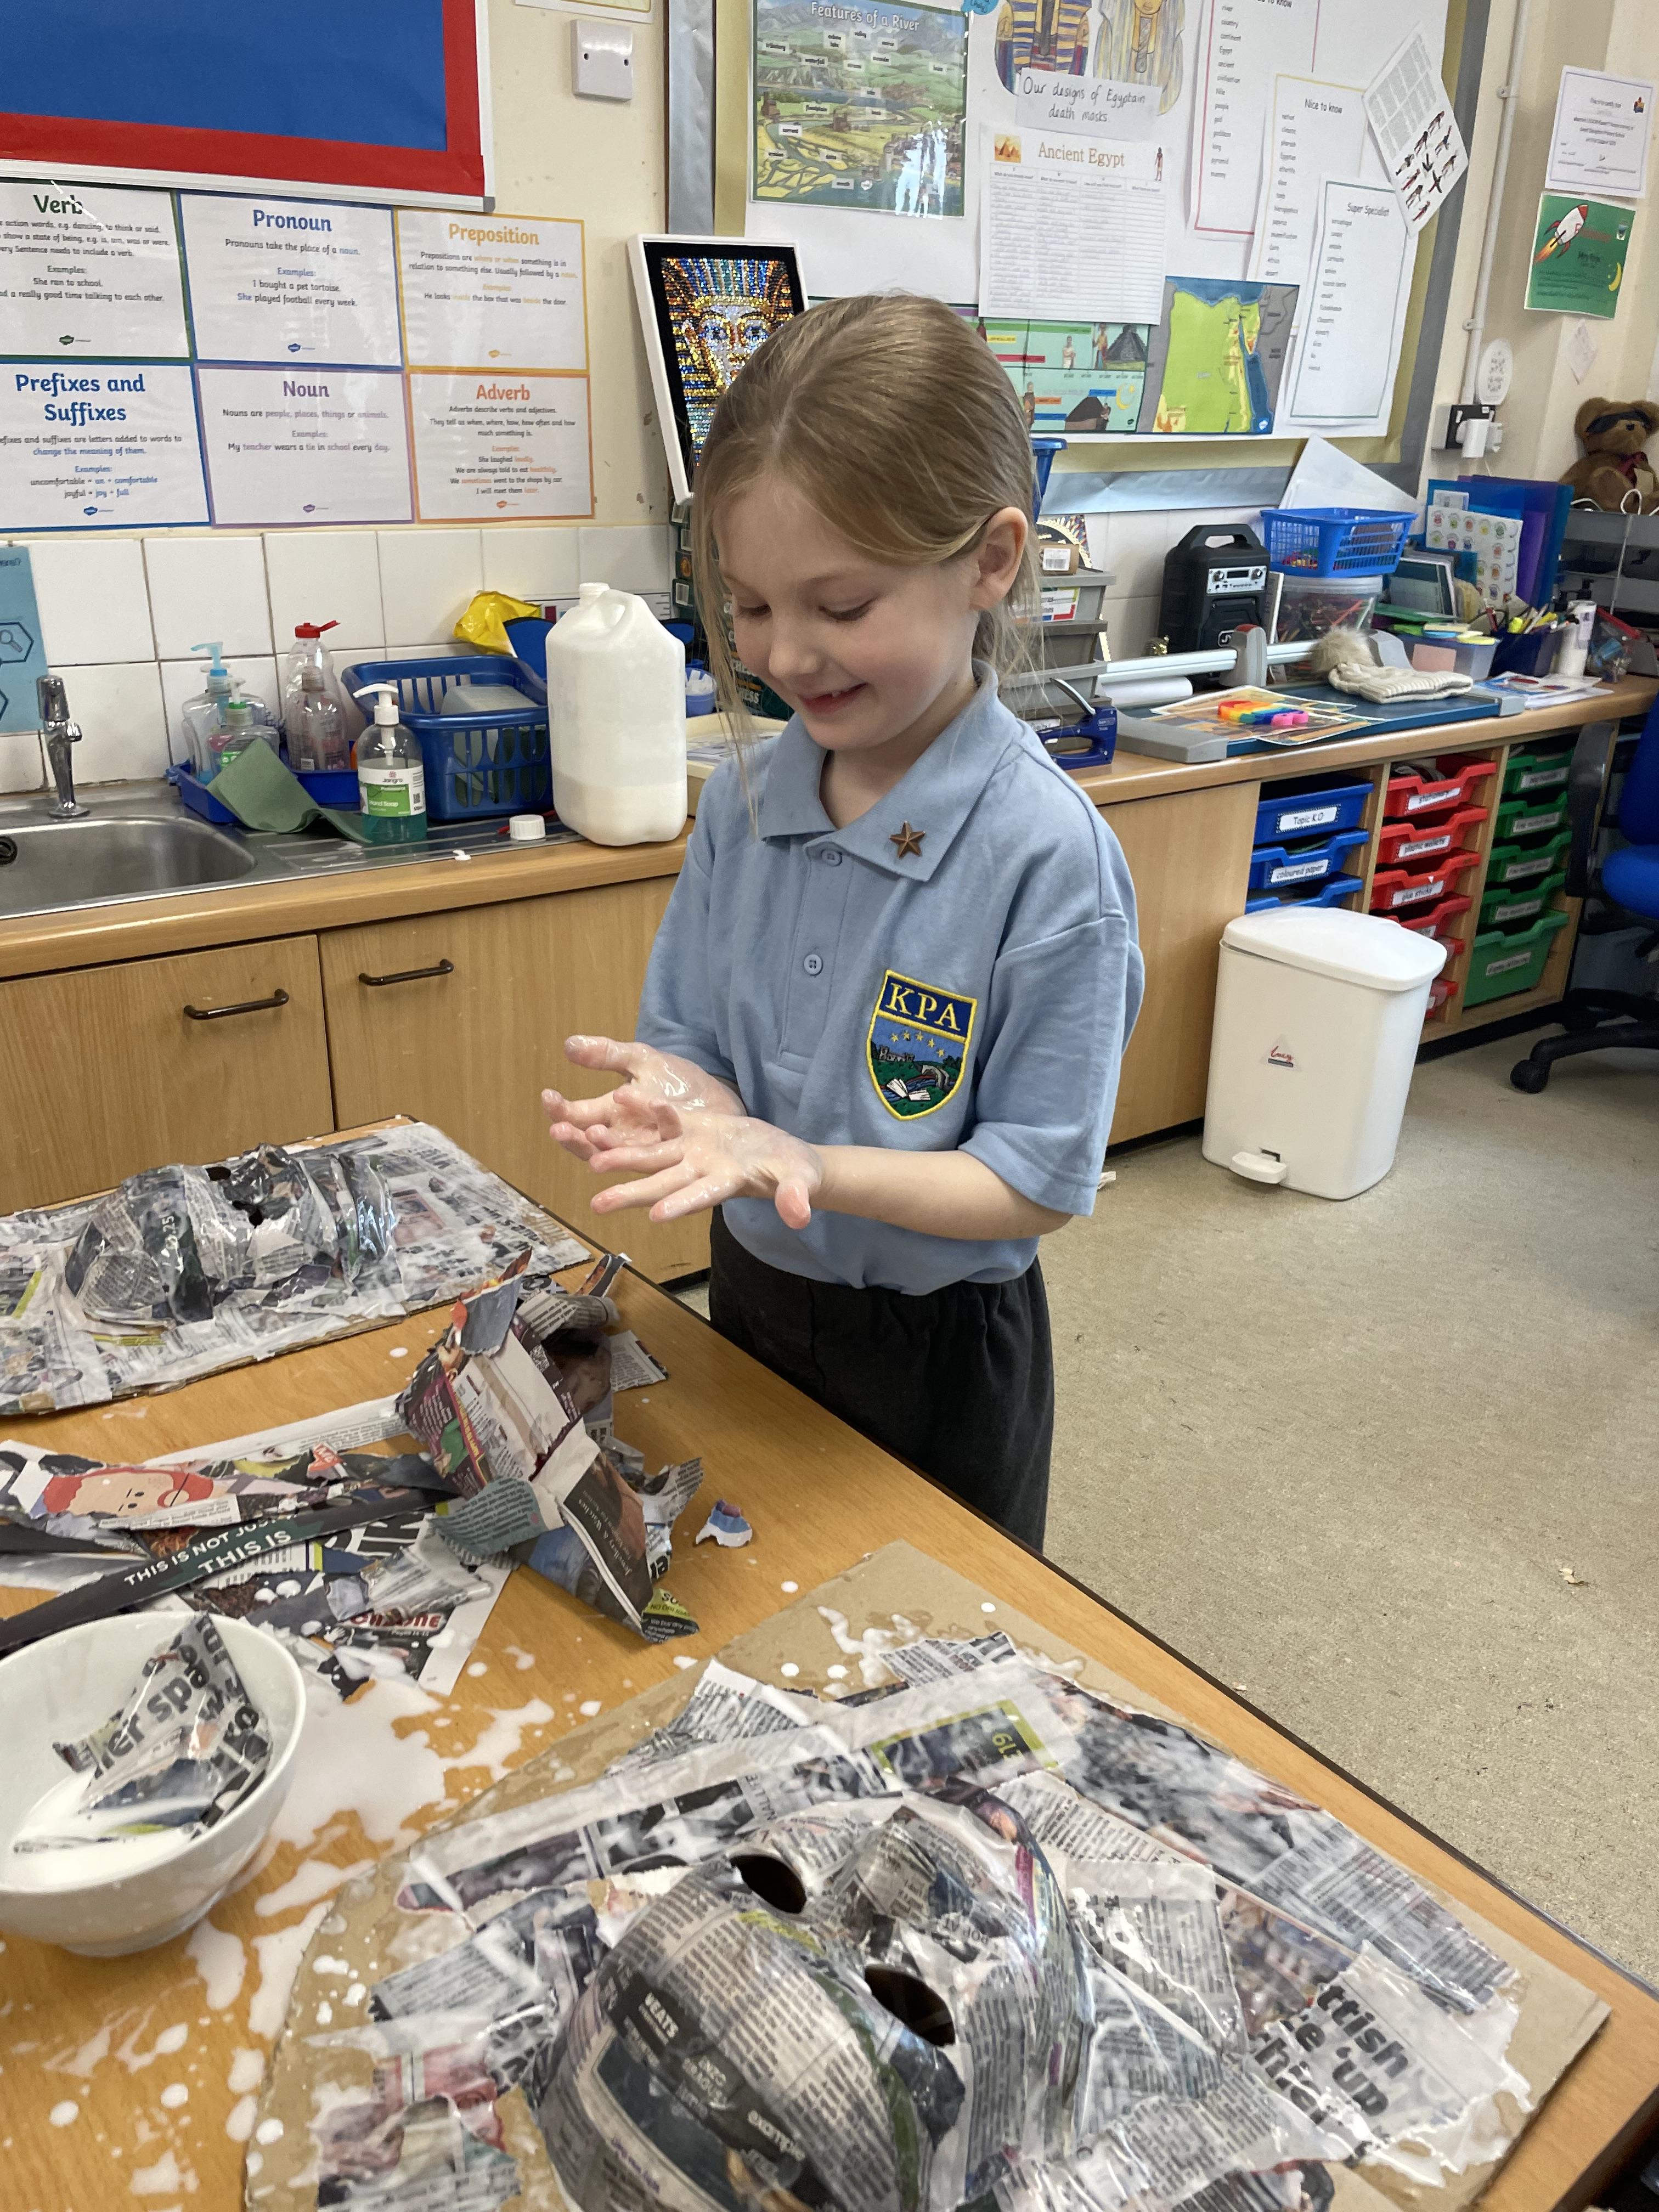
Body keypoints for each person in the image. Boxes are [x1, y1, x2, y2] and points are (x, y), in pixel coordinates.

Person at [542, 293, 1142, 1548]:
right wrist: (687, 1107)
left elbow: (1032, 1181)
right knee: (767, 1579)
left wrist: (808, 1164)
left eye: (843, 605)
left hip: (943, 1346)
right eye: (752, 607)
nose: (788, 655)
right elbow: (696, 1043)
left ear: (991, 560)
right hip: (757, 1292)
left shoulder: (1048, 858)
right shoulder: (745, 799)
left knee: (936, 1617)